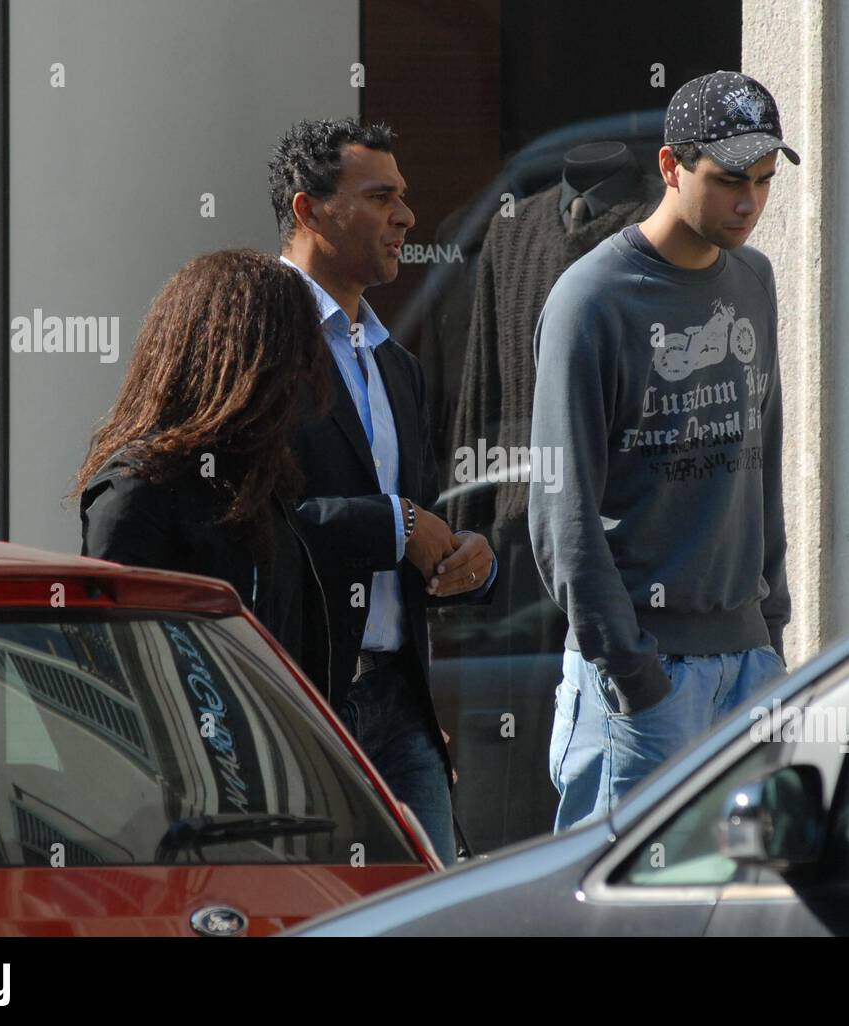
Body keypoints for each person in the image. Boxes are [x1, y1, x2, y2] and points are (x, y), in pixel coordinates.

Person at [529, 71, 799, 832]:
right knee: (625, 916)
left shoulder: (753, 280)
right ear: (671, 167)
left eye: (764, 180)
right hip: (644, 678)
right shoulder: (592, 299)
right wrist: (634, 674)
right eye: (727, 181)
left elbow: (761, 458)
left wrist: (769, 634)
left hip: (745, 667)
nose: (749, 203)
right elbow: (561, 513)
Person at [267, 118, 497, 863]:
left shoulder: (394, 364)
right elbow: (246, 519)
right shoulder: (253, 340)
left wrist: (467, 560)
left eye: (403, 197)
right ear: (309, 211)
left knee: (426, 912)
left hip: (402, 705)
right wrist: (393, 526)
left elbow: (424, 528)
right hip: (298, 704)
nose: (405, 217)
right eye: (380, 197)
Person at [77, 249, 335, 670]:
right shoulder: (138, 487)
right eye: (286, 360)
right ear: (234, 361)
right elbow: (111, 663)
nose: (301, 376)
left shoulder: (259, 486)